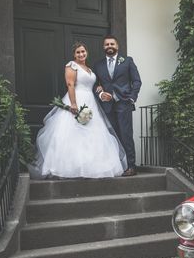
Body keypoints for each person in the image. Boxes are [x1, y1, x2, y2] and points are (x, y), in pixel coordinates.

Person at [30, 42, 127, 179]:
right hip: (77, 99)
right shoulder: (72, 66)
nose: (81, 54)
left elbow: (93, 85)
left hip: (91, 102)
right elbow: (70, 84)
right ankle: (69, 168)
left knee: (93, 133)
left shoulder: (88, 69)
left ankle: (91, 167)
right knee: (72, 132)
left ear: (86, 52)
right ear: (74, 55)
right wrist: (73, 104)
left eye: (83, 52)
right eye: (78, 52)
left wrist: (100, 90)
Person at [93, 35, 142, 176]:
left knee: (126, 135)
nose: (109, 46)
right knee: (111, 136)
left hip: (124, 103)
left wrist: (132, 98)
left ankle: (131, 166)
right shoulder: (98, 65)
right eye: (107, 44)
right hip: (107, 106)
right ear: (103, 47)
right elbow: (95, 84)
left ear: (117, 46)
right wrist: (101, 94)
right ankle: (116, 166)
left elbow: (137, 81)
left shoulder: (127, 61)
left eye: (112, 43)